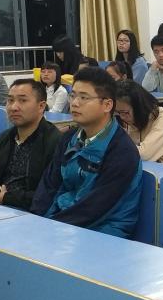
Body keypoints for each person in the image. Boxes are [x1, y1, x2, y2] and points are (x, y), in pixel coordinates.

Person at [31, 66, 143, 238]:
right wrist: (36, 220)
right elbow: (48, 185)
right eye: (73, 95)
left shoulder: (122, 151)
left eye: (84, 97)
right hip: (63, 223)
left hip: (103, 231)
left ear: (107, 105)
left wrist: (50, 229)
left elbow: (96, 207)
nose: (75, 103)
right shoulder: (69, 138)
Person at [0, 79, 62, 209]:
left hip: (32, 213)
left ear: (41, 106)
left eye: (22, 100)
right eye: (10, 100)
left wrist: (7, 198)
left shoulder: (54, 141)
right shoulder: (5, 138)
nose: (14, 107)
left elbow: (50, 193)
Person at [115, 79, 163, 165]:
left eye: (126, 113)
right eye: (119, 113)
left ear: (139, 107)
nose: (122, 117)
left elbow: (143, 154)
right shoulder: (132, 120)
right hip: (141, 169)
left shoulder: (162, 120)